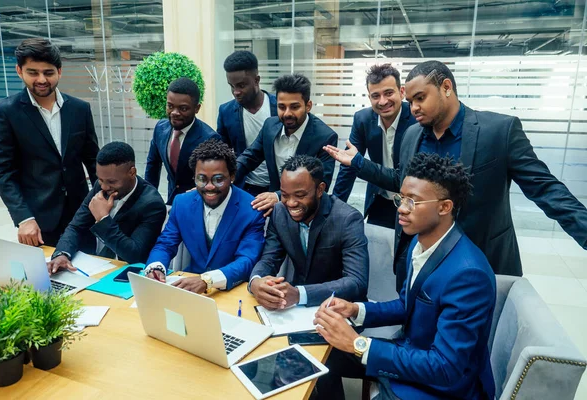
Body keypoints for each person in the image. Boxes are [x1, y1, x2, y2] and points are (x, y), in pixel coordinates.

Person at [324, 60, 587, 291]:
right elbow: (399, 182)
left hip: (479, 259)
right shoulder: (413, 135)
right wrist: (358, 163)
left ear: (446, 87)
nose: (413, 108)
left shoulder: (498, 131)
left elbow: (545, 189)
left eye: (420, 98)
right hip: (421, 259)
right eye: (411, 101)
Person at [314, 152, 496, 400]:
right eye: (401, 198)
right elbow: (407, 305)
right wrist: (355, 310)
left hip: (442, 387)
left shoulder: (468, 274)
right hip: (414, 353)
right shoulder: (418, 243)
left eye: (413, 202)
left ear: (444, 207)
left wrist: (359, 344)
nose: (401, 208)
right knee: (323, 351)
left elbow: (446, 368)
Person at [0, 38, 99, 247]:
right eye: (33, 72)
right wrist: (24, 218)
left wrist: (102, 199)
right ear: (19, 71)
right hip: (37, 222)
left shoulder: (79, 109)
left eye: (48, 73)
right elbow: (2, 171)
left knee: (91, 273)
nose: (41, 79)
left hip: (82, 215)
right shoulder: (4, 112)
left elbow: (93, 160)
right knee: (48, 278)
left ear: (59, 71)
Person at [145, 139, 265, 293]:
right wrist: (156, 266)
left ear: (233, 176)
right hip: (190, 288)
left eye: (218, 179)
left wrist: (207, 280)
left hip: (233, 290)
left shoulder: (251, 210)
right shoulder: (182, 203)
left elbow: (247, 260)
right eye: (201, 179)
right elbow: (165, 244)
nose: (209, 187)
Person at [249, 155, 368, 308]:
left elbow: (356, 282)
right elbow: (269, 259)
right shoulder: (279, 212)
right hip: (295, 307)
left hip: (338, 308)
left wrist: (300, 294)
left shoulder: (347, 219)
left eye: (300, 195)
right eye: (284, 195)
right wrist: (256, 282)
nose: (291, 203)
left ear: (320, 189)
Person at [47, 142, 166, 273]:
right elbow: (76, 226)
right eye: (100, 179)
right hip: (88, 265)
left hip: (124, 273)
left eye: (112, 182)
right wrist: (62, 254)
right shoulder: (102, 187)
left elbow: (135, 255)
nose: (104, 187)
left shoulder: (152, 204)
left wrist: (103, 219)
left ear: (132, 172)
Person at [234, 73, 338, 217]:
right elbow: (250, 157)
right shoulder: (269, 126)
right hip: (274, 210)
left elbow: (320, 184)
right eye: (282, 107)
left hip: (305, 210)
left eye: (294, 107)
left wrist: (277, 196)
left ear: (308, 106)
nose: (287, 113)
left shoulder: (325, 137)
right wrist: (226, 174)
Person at [332, 64, 416, 229]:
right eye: (375, 96)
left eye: (388, 93)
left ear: (402, 92)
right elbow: (349, 166)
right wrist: (333, 208)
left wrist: (358, 162)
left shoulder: (416, 120)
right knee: (377, 250)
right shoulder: (362, 120)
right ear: (369, 97)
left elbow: (406, 176)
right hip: (380, 199)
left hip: (412, 203)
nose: (383, 101)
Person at [144, 77, 221, 205]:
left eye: (183, 108)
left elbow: (213, 181)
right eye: (170, 106)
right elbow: (152, 165)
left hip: (197, 204)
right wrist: (149, 200)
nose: (174, 113)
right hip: (171, 201)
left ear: (197, 108)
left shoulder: (209, 138)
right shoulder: (160, 128)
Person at [217, 50, 277, 197]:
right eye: (232, 86)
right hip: (244, 187)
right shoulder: (226, 111)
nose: (236, 92)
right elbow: (221, 152)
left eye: (241, 85)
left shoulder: (280, 108)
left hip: (278, 188)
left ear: (256, 80)